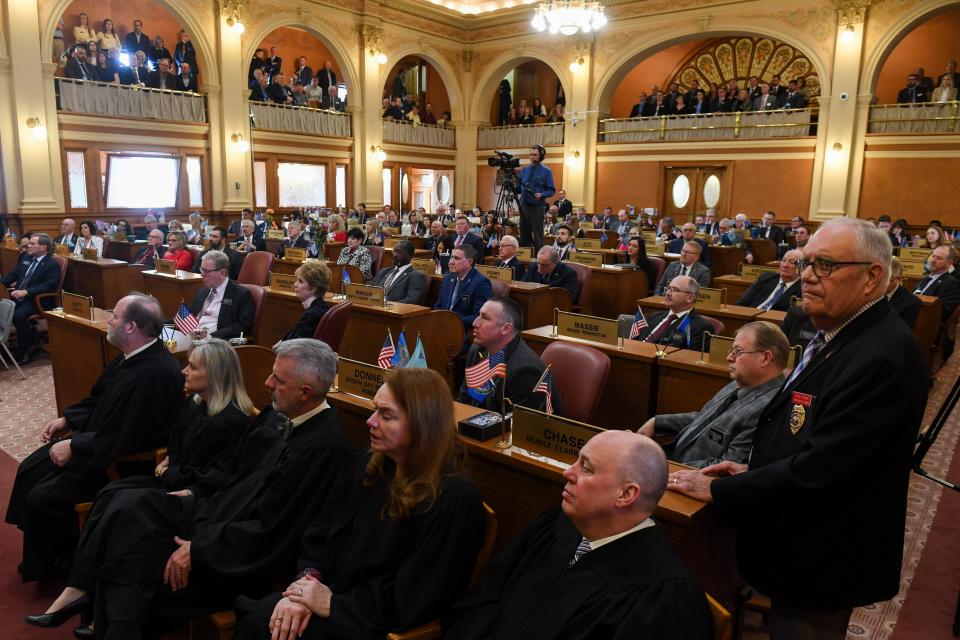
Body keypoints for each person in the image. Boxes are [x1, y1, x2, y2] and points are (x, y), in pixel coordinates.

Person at [670, 218, 930, 639]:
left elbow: (822, 468)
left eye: (825, 265)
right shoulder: (841, 334)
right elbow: (806, 432)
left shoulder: (882, 354)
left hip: (824, 557)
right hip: (799, 537)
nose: (807, 276)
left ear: (872, 277)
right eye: (807, 262)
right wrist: (752, 472)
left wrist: (720, 490)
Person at [31, 340, 356, 638]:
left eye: (278, 380)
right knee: (131, 504)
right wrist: (194, 495)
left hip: (241, 546)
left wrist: (199, 548)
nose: (267, 384)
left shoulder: (324, 448)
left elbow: (273, 529)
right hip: (218, 508)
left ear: (305, 392)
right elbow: (236, 473)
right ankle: (86, 597)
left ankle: (110, 624)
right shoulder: (277, 414)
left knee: (138, 550)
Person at [235, 368, 485, 640]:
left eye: (386, 415)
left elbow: (419, 595)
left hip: (370, 624)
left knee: (264, 626)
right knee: (259, 614)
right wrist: (306, 585)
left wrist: (332, 604)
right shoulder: (369, 466)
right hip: (328, 595)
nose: (370, 421)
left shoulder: (454, 500)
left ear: (423, 425)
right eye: (375, 410)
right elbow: (320, 531)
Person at [444, 429, 714, 639]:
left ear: (626, 494)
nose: (567, 472)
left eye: (585, 467)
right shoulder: (555, 527)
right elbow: (485, 599)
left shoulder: (663, 602)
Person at [6, 294, 183, 582]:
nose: (109, 321)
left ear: (131, 327)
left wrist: (76, 445)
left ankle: (60, 562)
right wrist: (68, 420)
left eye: (115, 317)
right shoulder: (129, 358)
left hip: (118, 463)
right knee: (30, 468)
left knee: (42, 495)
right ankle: (44, 555)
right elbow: (98, 400)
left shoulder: (157, 373)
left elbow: (130, 435)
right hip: (99, 442)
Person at [638, 321, 788, 467]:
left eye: (738, 351)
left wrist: (665, 468)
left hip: (688, 474)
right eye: (731, 351)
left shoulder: (768, 409)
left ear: (766, 358)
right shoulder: (739, 382)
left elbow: (726, 467)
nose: (729, 358)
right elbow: (704, 417)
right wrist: (658, 422)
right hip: (674, 460)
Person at [457, 297, 559, 413]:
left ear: (505, 328)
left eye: (485, 318)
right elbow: (465, 398)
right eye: (479, 315)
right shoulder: (478, 350)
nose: (475, 323)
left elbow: (518, 425)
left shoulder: (524, 371)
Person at [0, 233, 61, 363]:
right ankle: (3, 349)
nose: (28, 245)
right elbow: (12, 275)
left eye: (33, 244)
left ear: (43, 247)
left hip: (37, 300)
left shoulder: (52, 264)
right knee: (3, 310)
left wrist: (26, 292)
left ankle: (25, 351)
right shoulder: (26, 258)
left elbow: (49, 286)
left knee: (18, 315)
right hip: (18, 297)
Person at [633, 275, 712, 351]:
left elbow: (689, 359)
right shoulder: (654, 316)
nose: (667, 293)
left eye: (675, 290)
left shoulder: (700, 327)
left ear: (690, 298)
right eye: (668, 288)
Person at [188, 251, 255, 339]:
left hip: (216, 342)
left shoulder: (241, 294)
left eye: (206, 271)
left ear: (222, 273)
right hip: (192, 337)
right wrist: (165, 322)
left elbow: (243, 326)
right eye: (201, 269)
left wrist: (211, 336)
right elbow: (189, 315)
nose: (202, 274)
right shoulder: (203, 291)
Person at [434, 246, 492, 334]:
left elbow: (479, 316)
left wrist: (451, 321)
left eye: (456, 258)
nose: (451, 262)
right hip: (441, 326)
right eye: (451, 257)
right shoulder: (448, 278)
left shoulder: (480, 283)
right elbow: (439, 305)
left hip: (461, 330)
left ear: (469, 262)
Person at [279, 261, 332, 342]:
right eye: (296, 280)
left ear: (314, 287)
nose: (295, 285)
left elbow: (294, 345)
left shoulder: (311, 315)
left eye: (300, 281)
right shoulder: (322, 307)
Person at [736, 249, 803, 311]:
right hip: (750, 318)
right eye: (784, 260)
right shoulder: (765, 278)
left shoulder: (802, 289)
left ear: (801, 267)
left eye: (791, 262)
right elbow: (742, 302)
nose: (785, 265)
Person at [517, 145, 555, 251]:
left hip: (537, 207)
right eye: (531, 154)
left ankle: (540, 259)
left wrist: (541, 194)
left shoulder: (547, 171)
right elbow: (519, 189)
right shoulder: (524, 170)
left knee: (538, 235)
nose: (532, 157)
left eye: (535, 155)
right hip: (524, 206)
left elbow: (552, 190)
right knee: (524, 235)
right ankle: (525, 259)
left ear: (541, 156)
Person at [371, 240, 428, 305]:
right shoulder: (383, 271)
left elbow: (412, 300)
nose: (395, 254)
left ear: (410, 254)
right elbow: (370, 290)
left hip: (393, 311)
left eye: (399, 252)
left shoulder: (416, 276)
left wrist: (387, 305)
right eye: (394, 251)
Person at [913, 244, 960, 318]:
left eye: (939, 258)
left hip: (922, 322)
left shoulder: (950, 283)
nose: (933, 260)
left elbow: (941, 312)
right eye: (933, 256)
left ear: (949, 263)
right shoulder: (925, 278)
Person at [886, 257, 921, 329]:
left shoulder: (911, 302)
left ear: (898, 279)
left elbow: (903, 333)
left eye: (887, 279)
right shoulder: (870, 293)